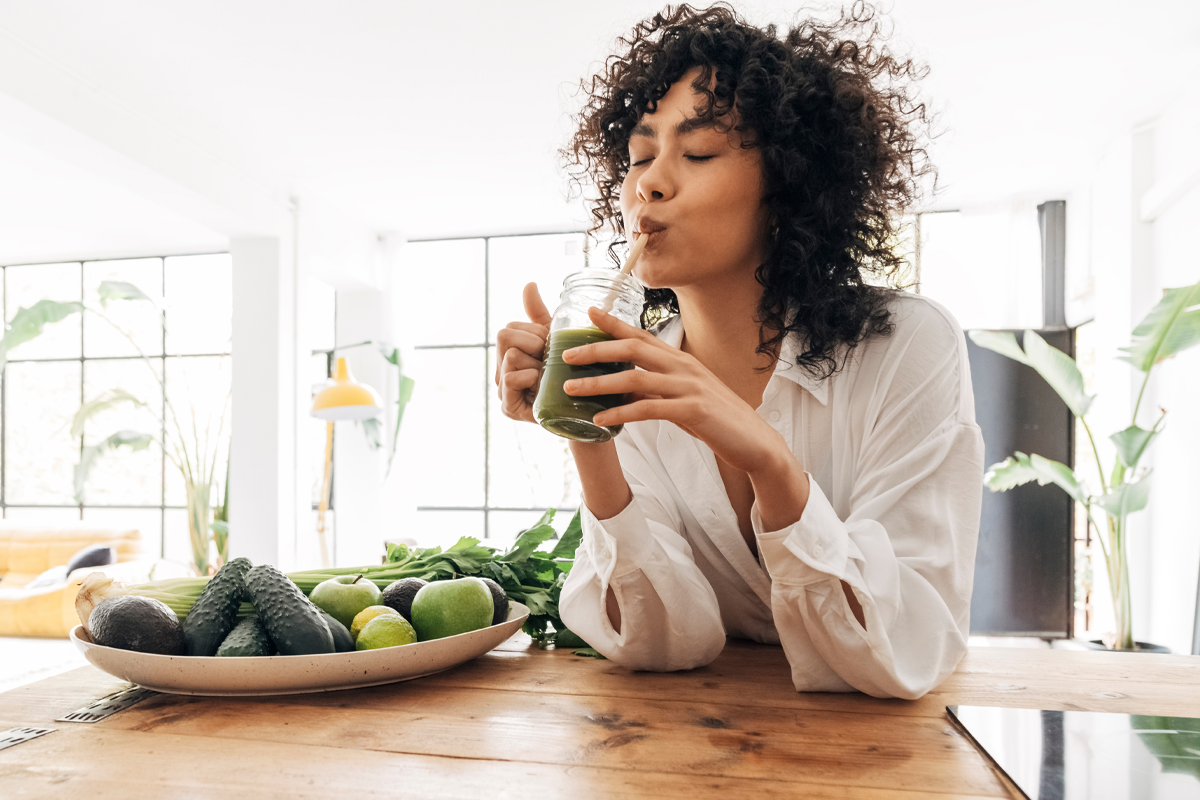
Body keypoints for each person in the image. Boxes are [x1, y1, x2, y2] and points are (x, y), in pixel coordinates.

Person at [495, 4, 984, 700]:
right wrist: (588, 431)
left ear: (786, 183)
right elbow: (658, 645)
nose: (649, 183)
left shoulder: (907, 346)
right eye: (639, 156)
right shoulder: (631, 371)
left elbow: (909, 647)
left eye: (696, 153)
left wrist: (770, 461)